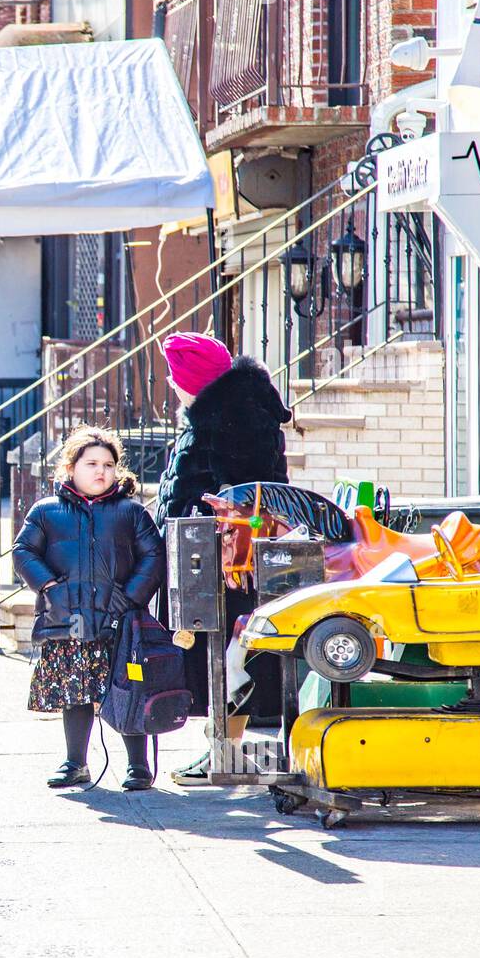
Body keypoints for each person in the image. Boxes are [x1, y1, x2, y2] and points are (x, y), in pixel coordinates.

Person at [154, 333, 292, 786]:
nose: (172, 386)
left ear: (193, 380)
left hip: (224, 565)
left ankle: (225, 752)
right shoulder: (240, 413)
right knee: (229, 654)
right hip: (228, 561)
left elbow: (233, 500)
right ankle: (222, 748)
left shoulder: (225, 423)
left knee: (225, 654)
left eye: (175, 378)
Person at [13, 426, 165, 792]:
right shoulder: (47, 511)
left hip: (119, 621)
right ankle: (75, 762)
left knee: (128, 689)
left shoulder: (130, 512)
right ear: (71, 467)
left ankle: (138, 766)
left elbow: (154, 557)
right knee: (75, 690)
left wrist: (128, 597)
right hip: (69, 618)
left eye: (109, 464)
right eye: (91, 463)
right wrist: (50, 587)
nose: (101, 471)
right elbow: (23, 552)